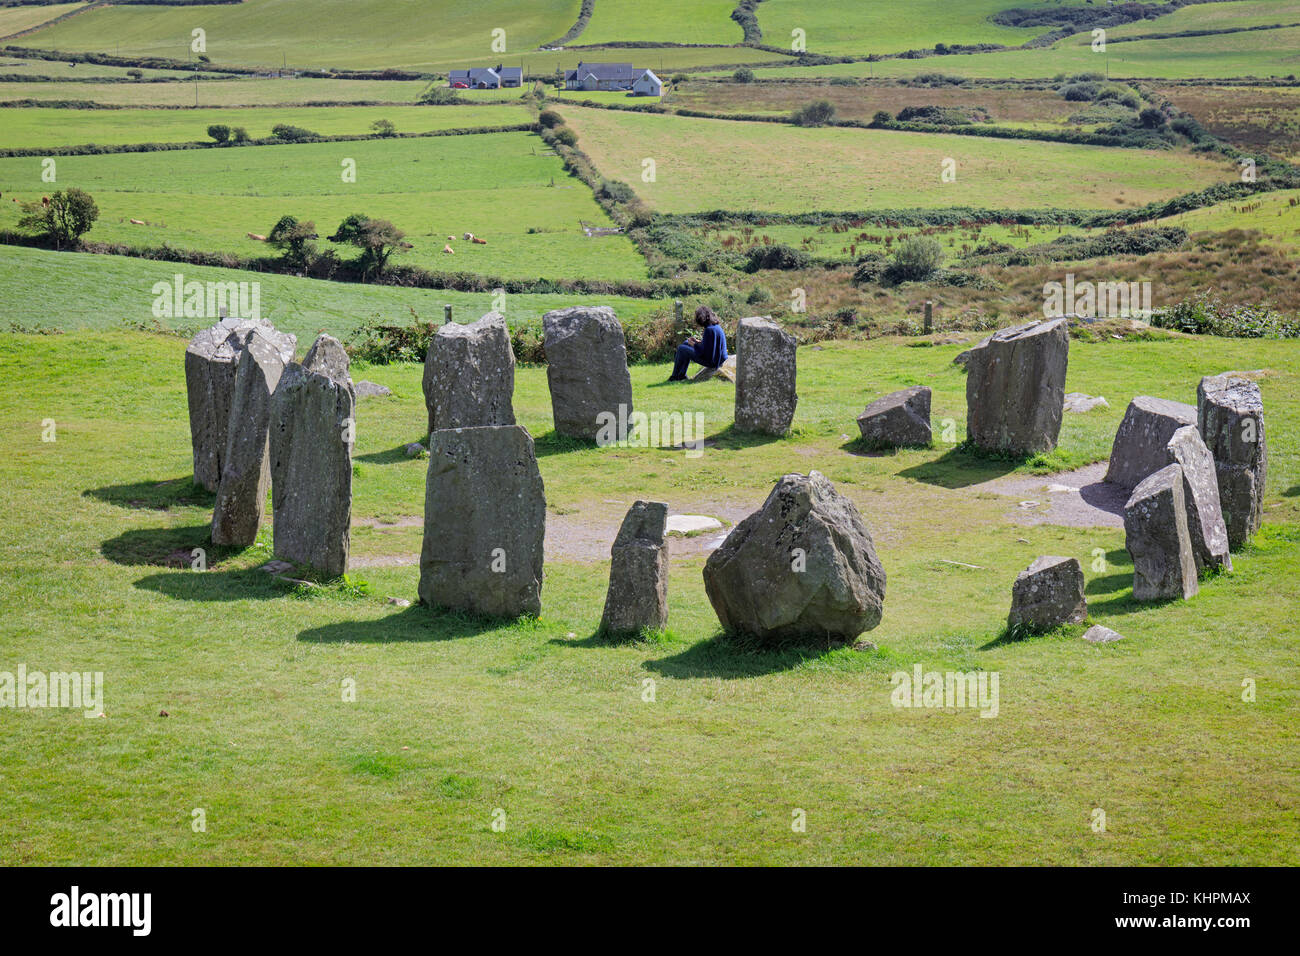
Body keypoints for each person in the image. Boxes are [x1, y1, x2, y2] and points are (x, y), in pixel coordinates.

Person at [668, 305, 728, 381]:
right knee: (686, 343)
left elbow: (704, 352)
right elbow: (710, 345)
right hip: (717, 359)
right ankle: (681, 375)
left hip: (712, 362)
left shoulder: (709, 330)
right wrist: (697, 342)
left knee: (681, 348)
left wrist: (694, 344)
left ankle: (675, 376)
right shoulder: (715, 326)